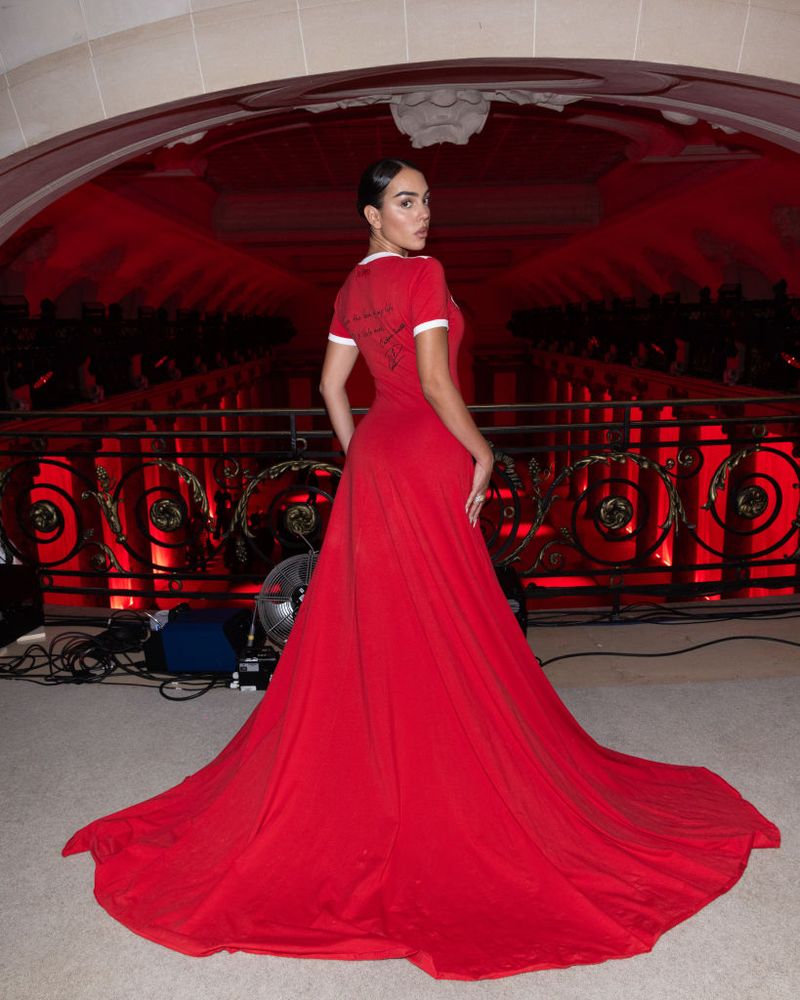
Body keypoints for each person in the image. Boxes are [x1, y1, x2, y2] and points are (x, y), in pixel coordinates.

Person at [62, 158, 780, 981]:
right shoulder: (424, 273)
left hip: (375, 458)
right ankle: (445, 752)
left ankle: (393, 751)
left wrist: (357, 447)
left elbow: (334, 386)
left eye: (427, 201)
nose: (424, 215)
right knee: (446, 608)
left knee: (386, 612)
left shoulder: (348, 289)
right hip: (430, 455)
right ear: (372, 214)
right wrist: (482, 452)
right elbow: (437, 380)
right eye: (406, 202)